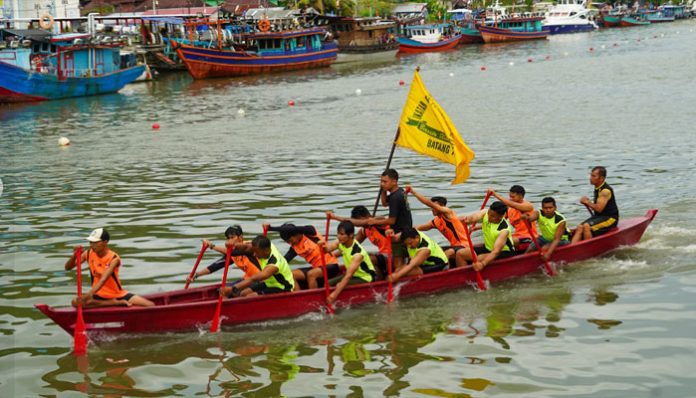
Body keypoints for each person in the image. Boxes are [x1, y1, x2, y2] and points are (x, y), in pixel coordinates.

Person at [64, 228, 154, 308]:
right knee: (74, 302)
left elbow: (103, 279)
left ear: (105, 242)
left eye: (95, 242)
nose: (92, 245)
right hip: (98, 294)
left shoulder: (114, 258)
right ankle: (112, 303)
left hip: (116, 293)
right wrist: (74, 255)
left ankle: (112, 301)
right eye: (91, 242)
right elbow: (68, 267)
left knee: (150, 305)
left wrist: (88, 295)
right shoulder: (88, 254)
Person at [345, 169, 412, 272]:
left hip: (400, 234)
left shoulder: (396, 197)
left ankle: (397, 280)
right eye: (381, 181)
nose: (382, 184)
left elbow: (391, 221)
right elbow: (385, 203)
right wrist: (383, 190)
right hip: (399, 233)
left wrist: (374, 222)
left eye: (385, 182)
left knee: (398, 266)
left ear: (394, 182)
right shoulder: (398, 192)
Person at [406, 185, 472, 268]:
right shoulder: (436, 221)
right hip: (454, 246)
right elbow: (419, 228)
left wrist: (414, 192)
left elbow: (428, 203)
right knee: (435, 251)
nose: (432, 209)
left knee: (447, 253)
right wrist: (404, 232)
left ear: (442, 207)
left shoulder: (448, 213)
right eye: (432, 207)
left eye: (434, 207)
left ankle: (446, 274)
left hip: (465, 246)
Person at [262, 222, 340, 289]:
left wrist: (271, 228)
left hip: (331, 266)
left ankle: (313, 299)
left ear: (295, 234)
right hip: (316, 268)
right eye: (288, 242)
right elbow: (284, 261)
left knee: (311, 274)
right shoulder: (295, 247)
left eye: (290, 240)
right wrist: (268, 271)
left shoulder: (310, 232)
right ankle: (299, 297)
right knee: (291, 275)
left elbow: (292, 229)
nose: (291, 243)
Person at [326, 205, 391, 279]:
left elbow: (357, 223)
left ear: (367, 216)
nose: (360, 225)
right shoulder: (365, 230)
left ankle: (377, 282)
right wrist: (331, 255)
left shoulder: (380, 221)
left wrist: (334, 217)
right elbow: (350, 245)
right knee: (359, 256)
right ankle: (378, 279)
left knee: (365, 259)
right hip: (382, 256)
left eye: (360, 221)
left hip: (393, 255)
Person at [221, 235, 295, 297]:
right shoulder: (267, 245)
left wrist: (232, 289)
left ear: (266, 250)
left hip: (283, 287)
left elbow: (253, 279)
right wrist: (233, 245)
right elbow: (246, 247)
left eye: (256, 252)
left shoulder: (273, 264)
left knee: (250, 296)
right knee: (243, 293)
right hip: (269, 283)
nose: (254, 255)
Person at [323, 221, 377, 305]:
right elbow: (328, 249)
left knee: (338, 285)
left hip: (365, 277)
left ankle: (336, 302)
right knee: (327, 283)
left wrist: (334, 295)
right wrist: (322, 246)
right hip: (354, 275)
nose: (339, 236)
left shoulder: (357, 253)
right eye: (338, 233)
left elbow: (348, 276)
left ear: (351, 235)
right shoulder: (341, 242)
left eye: (341, 234)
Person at [186, 225, 260, 284]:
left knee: (233, 292)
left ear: (240, 237)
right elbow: (216, 266)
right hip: (249, 278)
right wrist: (195, 275)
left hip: (263, 279)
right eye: (228, 238)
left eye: (232, 237)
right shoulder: (232, 255)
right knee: (220, 290)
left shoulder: (249, 246)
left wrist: (212, 246)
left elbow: (233, 252)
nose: (230, 240)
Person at [460, 201, 516, 271]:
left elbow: (496, 251)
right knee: (461, 253)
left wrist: (482, 264)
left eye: (492, 216)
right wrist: (467, 219)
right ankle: (463, 277)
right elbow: (475, 217)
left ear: (500, 217)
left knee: (480, 258)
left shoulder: (504, 230)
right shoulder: (486, 212)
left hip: (504, 253)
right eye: (489, 214)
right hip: (488, 248)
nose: (488, 217)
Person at [571, 166, 620, 244]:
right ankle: (571, 249)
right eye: (591, 175)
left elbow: (598, 209)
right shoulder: (597, 187)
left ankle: (588, 251)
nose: (590, 178)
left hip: (610, 219)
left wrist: (587, 202)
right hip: (599, 217)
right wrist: (587, 202)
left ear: (601, 178)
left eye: (594, 176)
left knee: (587, 227)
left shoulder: (605, 191)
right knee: (580, 227)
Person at [487, 185, 537, 251]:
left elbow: (513, 205)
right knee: (495, 239)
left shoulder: (528, 206)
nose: (511, 199)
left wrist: (495, 195)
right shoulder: (510, 209)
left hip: (530, 237)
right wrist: (479, 226)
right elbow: (497, 221)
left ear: (521, 196)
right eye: (510, 197)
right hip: (517, 235)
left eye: (513, 197)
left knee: (502, 242)